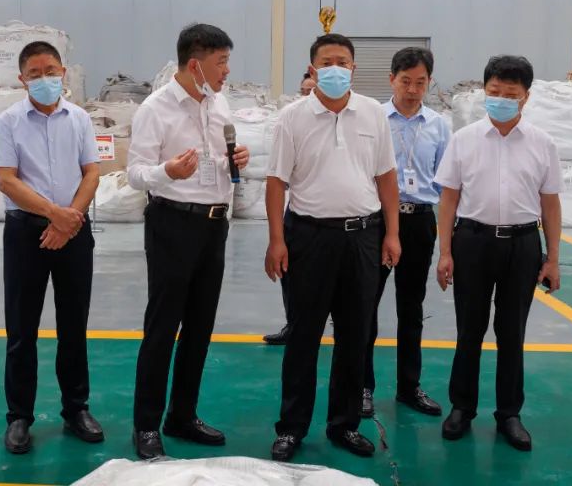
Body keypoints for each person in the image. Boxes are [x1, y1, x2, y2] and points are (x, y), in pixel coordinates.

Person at [264, 33, 401, 462]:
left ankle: (344, 425)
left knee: (355, 335)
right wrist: (276, 240)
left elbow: (386, 177)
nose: (336, 69)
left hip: (362, 237)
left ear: (354, 68)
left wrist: (392, 234)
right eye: (327, 62)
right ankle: (291, 427)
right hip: (309, 238)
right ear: (313, 69)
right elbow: (276, 182)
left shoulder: (373, 114)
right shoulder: (292, 118)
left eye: (343, 61)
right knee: (303, 335)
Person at [127, 23, 250, 460]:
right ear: (195, 64)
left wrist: (237, 158)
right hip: (173, 224)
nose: (227, 71)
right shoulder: (155, 109)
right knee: (163, 327)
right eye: (221, 62)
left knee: (200, 326)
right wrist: (167, 172)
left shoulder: (219, 103)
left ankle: (182, 414)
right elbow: (134, 172)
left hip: (214, 226)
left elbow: (220, 156)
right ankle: (146, 424)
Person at [434, 55, 562, 452]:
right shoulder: (464, 139)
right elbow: (448, 199)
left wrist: (552, 258)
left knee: (512, 332)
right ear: (484, 91)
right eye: (495, 92)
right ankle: (462, 407)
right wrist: (445, 252)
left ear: (526, 97)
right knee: (469, 329)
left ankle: (509, 413)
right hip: (472, 241)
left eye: (511, 94)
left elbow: (550, 204)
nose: (502, 99)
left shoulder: (542, 143)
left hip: (523, 245)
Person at [0, 41, 104, 453]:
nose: (45, 79)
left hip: (74, 231)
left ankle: (76, 409)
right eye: (35, 74)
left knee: (74, 325)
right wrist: (55, 215)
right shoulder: (8, 121)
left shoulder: (79, 119)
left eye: (51, 71)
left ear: (64, 72)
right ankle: (19, 416)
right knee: (21, 330)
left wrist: (69, 219)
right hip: (26, 233)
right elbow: (7, 180)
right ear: (22, 79)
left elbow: (91, 173)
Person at [361, 47, 449, 419]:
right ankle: (362, 386)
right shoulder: (373, 119)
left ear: (429, 83)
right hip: (377, 221)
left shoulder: (439, 125)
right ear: (391, 79)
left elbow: (446, 182)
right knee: (366, 305)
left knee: (411, 308)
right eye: (405, 81)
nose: (412, 90)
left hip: (420, 221)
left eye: (420, 83)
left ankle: (409, 387)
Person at [264, 72, 321, 345]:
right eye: (304, 90)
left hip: (337, 217)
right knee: (292, 274)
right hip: (301, 211)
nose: (308, 95)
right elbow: (277, 176)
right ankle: (294, 324)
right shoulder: (292, 120)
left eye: (312, 89)